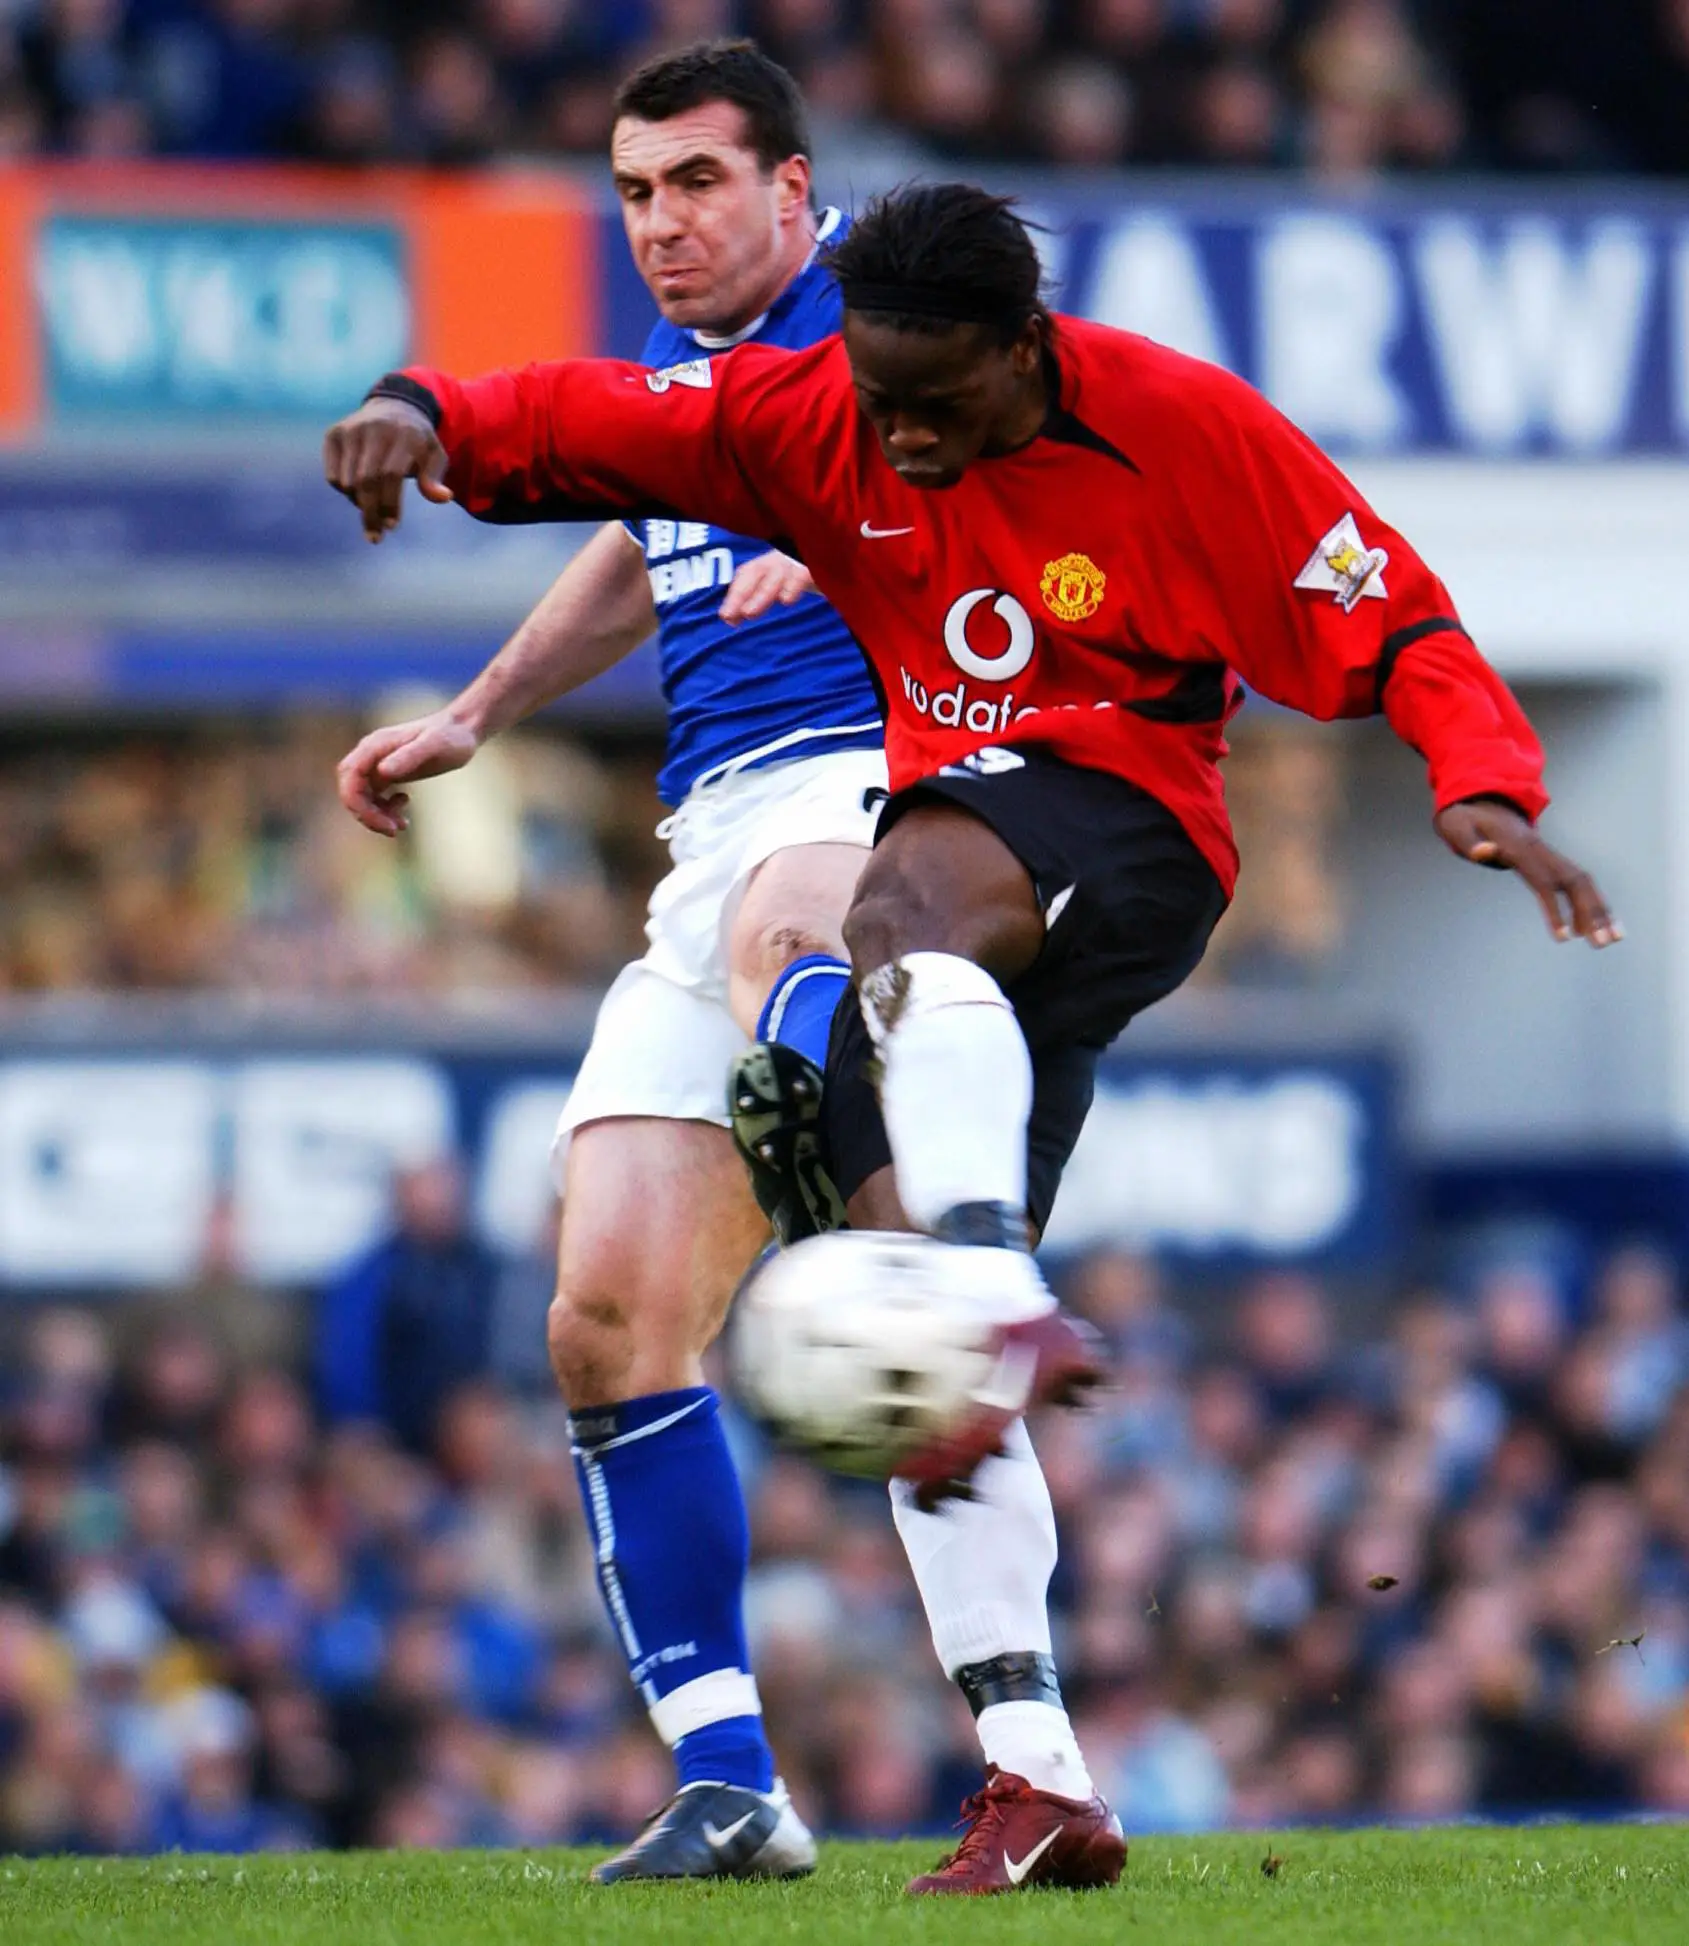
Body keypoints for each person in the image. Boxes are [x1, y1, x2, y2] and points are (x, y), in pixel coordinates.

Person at [322, 182, 1618, 1890]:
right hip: (961, 907)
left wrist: (1483, 782)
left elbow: (1392, 608)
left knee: (899, 912)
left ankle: (993, 1283)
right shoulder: (817, 410)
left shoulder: (1180, 423)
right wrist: (428, 408)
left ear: (1027, 349)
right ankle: (1038, 1773)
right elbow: (600, 418)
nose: (907, 439)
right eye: (884, 400)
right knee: (913, 1334)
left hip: (1132, 827)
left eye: (939, 403)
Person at [331, 53, 1117, 1894]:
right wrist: (478, 711)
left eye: (696, 182)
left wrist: (859, 556)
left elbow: (1046, 501)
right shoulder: (690, 370)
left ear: (795, 189)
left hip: (882, 777)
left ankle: (900, 1206)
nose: (661, 224)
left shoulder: (894, 331)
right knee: (604, 1312)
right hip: (709, 831)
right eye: (634, 191)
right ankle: (731, 1783)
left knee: (802, 954)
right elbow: (641, 537)